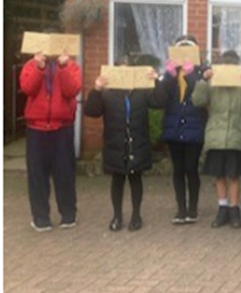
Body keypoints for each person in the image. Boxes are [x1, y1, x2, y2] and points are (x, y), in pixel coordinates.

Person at [84, 60, 165, 231]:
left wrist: (156, 81)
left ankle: (136, 216)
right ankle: (117, 216)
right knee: (117, 180)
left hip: (137, 142)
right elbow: (91, 111)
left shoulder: (141, 92)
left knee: (136, 179)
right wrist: (96, 89)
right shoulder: (107, 94)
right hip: (115, 143)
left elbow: (159, 102)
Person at [20, 45, 82, 232]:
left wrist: (63, 68)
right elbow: (27, 88)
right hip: (36, 128)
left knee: (64, 173)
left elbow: (72, 91)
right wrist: (39, 68)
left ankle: (68, 215)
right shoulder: (30, 65)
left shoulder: (71, 66)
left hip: (62, 127)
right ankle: (41, 218)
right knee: (37, 175)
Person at [192, 50, 241, 229]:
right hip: (216, 135)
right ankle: (222, 208)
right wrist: (203, 80)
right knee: (218, 174)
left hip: (235, 135)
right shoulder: (212, 83)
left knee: (233, 175)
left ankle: (234, 209)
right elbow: (197, 101)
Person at [159, 35, 207, 224]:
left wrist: (192, 74)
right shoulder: (171, 73)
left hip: (194, 126)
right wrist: (168, 75)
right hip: (174, 126)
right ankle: (181, 209)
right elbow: (161, 96)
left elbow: (201, 96)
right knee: (178, 169)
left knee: (191, 168)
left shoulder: (201, 71)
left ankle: (193, 209)